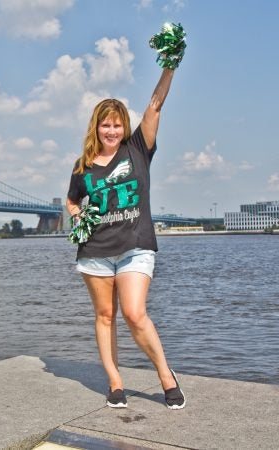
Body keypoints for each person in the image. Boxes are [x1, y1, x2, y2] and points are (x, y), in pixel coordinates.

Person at [66, 67, 186, 410]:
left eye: (117, 124)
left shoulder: (138, 148)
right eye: (106, 124)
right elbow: (72, 200)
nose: (112, 130)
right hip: (95, 251)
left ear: (124, 127)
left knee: (134, 313)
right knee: (105, 315)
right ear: (96, 126)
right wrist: (78, 217)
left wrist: (169, 66)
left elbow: (156, 105)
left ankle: (166, 375)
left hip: (135, 247)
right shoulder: (83, 165)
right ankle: (115, 382)